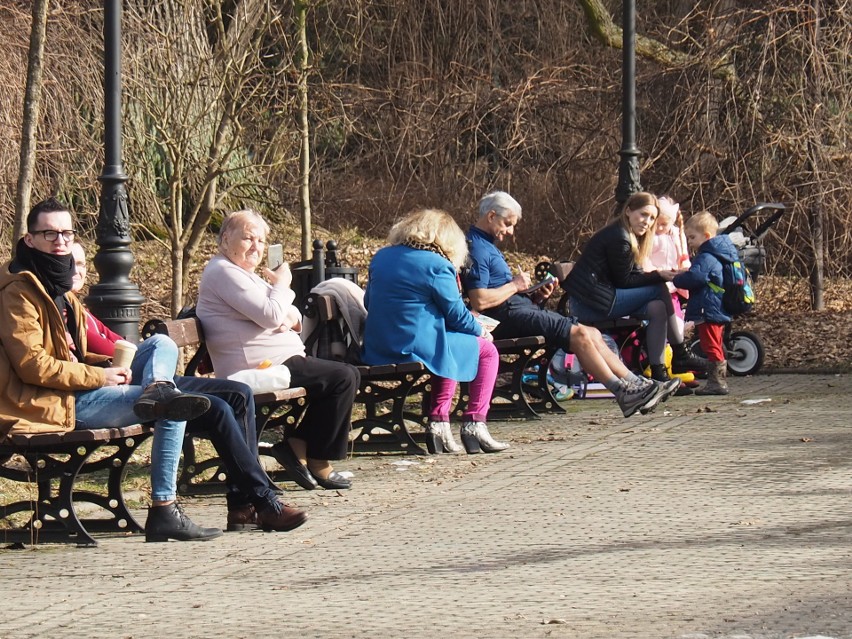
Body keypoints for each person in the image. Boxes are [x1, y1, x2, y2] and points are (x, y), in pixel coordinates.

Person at [0, 198, 221, 542]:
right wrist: (100, 376)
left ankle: (157, 387)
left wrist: (106, 366)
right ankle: (164, 508)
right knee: (172, 407)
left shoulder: (59, 290)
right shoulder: (19, 293)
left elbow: (76, 355)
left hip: (79, 389)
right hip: (53, 403)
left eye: (66, 233)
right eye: (50, 234)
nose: (60, 241)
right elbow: (33, 367)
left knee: (160, 345)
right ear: (30, 239)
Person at [70, 241, 308, 534]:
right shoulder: (60, 308)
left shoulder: (77, 309)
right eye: (71, 262)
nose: (77, 270)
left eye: (82, 264)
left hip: (130, 379)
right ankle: (260, 500)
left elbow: (118, 345)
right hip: (96, 393)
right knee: (201, 404)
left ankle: (242, 505)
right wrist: (103, 370)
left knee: (236, 392)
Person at [462, 191, 680, 419]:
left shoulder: (487, 245)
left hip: (518, 309)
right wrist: (516, 285)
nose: (510, 231)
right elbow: (480, 300)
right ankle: (623, 391)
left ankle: (636, 385)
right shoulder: (477, 248)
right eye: (507, 224)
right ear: (491, 216)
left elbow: (499, 293)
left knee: (590, 332)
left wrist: (536, 296)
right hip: (505, 317)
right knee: (579, 335)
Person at [196, 209, 359, 490]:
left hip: (280, 360)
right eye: (248, 238)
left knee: (344, 376)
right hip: (258, 367)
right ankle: (316, 457)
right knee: (343, 377)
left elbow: (291, 315)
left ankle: (299, 445)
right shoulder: (222, 271)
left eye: (261, 241)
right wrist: (282, 286)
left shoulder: (243, 274)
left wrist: (284, 311)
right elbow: (273, 314)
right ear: (225, 239)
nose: (256, 247)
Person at [361, 208, 507, 454]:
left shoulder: (381, 258)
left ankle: (440, 423)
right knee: (487, 351)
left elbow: (369, 302)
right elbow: (457, 315)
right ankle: (474, 423)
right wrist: (481, 330)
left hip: (378, 348)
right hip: (416, 349)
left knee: (446, 343)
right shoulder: (438, 265)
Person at [564, 191, 708, 382]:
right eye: (643, 215)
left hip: (604, 297)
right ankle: (680, 352)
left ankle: (659, 371)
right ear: (628, 211)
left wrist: (662, 274)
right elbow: (624, 282)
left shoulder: (629, 235)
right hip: (590, 305)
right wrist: (659, 275)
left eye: (651, 218)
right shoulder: (620, 237)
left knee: (657, 308)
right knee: (659, 288)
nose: (646, 222)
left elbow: (632, 275)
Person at [672, 212, 739, 395]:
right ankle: (716, 381)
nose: (690, 242)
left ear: (707, 236)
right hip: (715, 306)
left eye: (692, 237)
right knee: (714, 343)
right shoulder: (717, 254)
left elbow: (696, 277)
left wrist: (678, 278)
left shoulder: (707, 256)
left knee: (710, 345)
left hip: (708, 307)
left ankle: (717, 383)